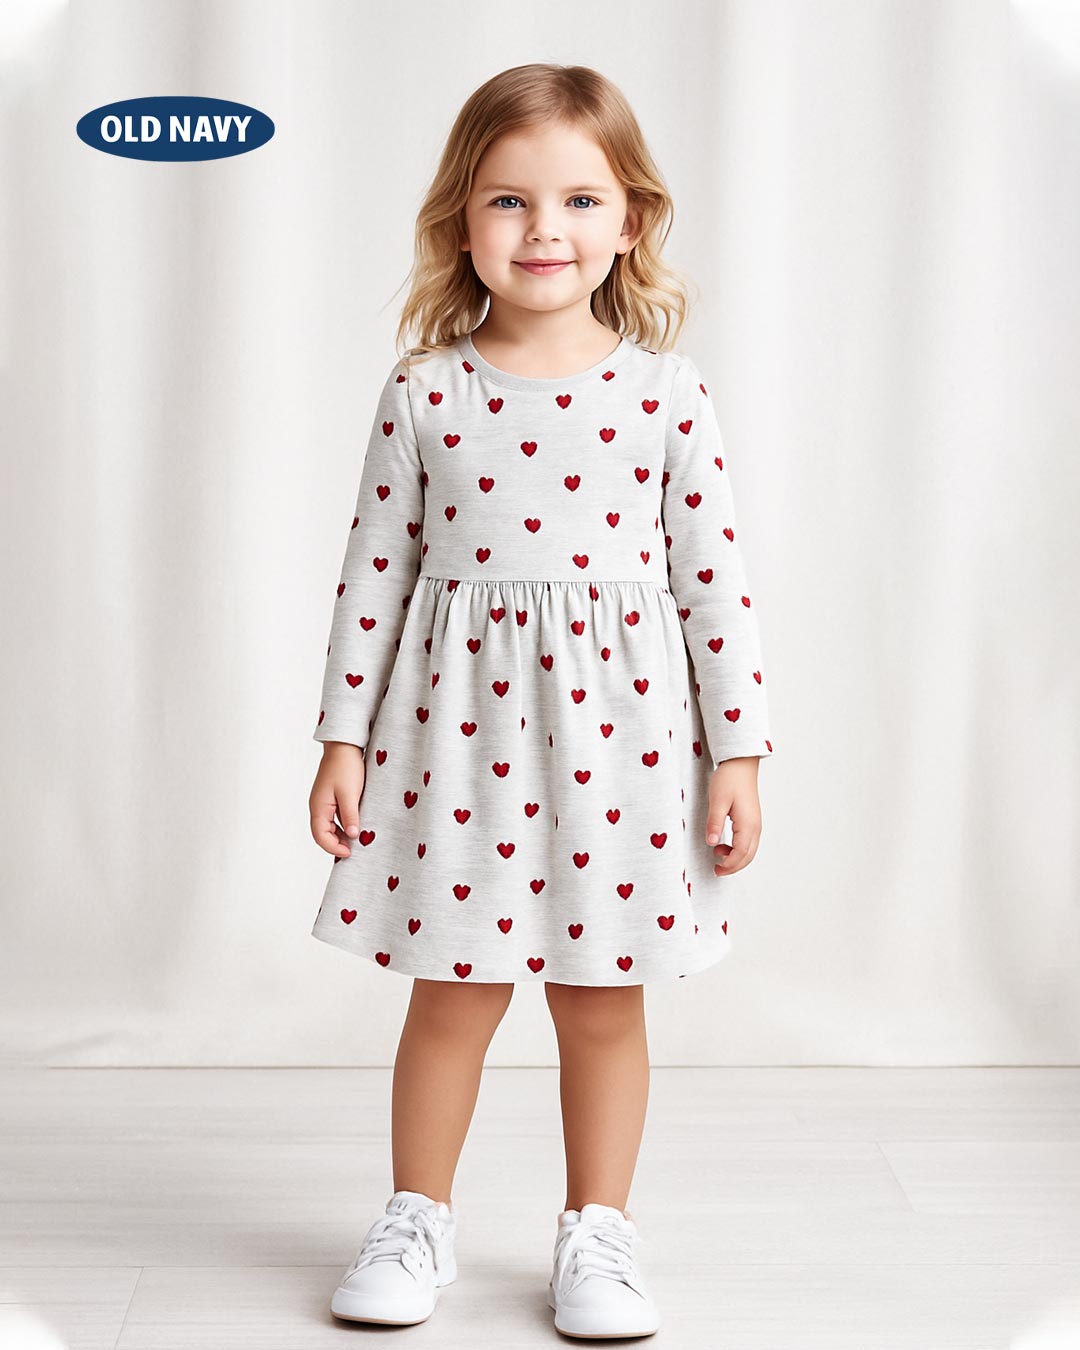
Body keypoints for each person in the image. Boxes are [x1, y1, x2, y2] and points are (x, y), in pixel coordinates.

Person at [307, 63, 774, 1339]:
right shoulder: (425, 392)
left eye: (579, 200)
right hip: (455, 749)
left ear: (631, 220)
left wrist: (738, 753)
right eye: (509, 201)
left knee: (602, 998)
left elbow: (714, 585)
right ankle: (417, 1219)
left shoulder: (668, 395)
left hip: (623, 751)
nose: (544, 230)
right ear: (463, 219)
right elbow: (373, 573)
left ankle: (598, 1234)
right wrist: (341, 738)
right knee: (451, 994)